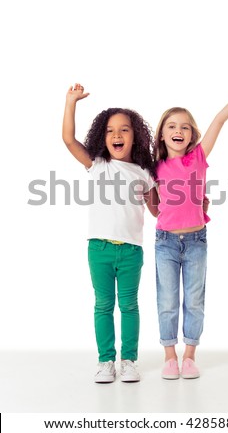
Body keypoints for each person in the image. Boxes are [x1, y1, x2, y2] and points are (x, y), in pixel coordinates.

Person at [153, 61, 228, 379]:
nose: (178, 131)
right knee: (167, 300)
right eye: (171, 126)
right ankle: (170, 355)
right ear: (162, 134)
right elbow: (157, 210)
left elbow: (220, 118)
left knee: (194, 299)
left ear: (192, 134)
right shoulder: (153, 167)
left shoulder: (199, 156)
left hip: (196, 240)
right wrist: (149, 203)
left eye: (184, 126)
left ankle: (190, 355)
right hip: (165, 242)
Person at [62, 84, 158, 383]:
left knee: (129, 305)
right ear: (102, 137)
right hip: (99, 248)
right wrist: (70, 102)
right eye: (110, 130)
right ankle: (106, 361)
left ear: (136, 136)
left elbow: (158, 211)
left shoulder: (144, 172)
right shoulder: (98, 164)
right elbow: (67, 139)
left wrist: (192, 202)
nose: (117, 135)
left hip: (131, 251)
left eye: (125, 130)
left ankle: (128, 360)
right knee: (103, 305)